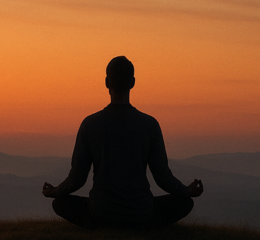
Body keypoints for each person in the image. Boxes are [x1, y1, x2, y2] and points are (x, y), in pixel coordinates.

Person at [42, 56, 203, 228]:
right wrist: (187, 191)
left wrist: (55, 192)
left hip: (100, 214)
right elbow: (162, 177)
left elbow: (77, 178)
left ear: (106, 82)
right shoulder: (149, 125)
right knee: (185, 203)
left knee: (59, 203)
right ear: (133, 82)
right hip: (141, 215)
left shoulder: (90, 124)